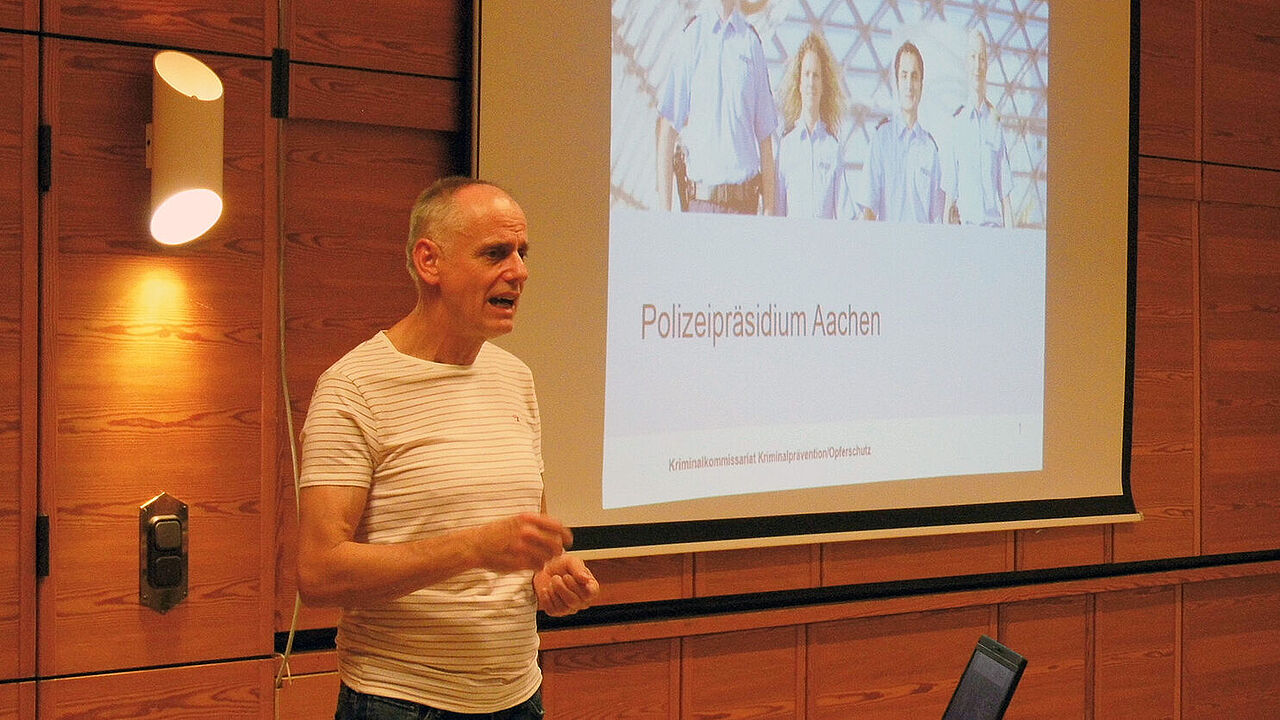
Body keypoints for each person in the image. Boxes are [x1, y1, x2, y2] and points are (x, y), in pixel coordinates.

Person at [296, 176, 601, 719]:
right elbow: (319, 572)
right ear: (429, 261)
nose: (520, 271)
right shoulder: (353, 387)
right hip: (401, 702)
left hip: (517, 696)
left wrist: (548, 574)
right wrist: (473, 549)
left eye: (522, 253)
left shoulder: (515, 378)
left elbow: (527, 538)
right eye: (495, 253)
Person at [656, 0, 779, 214]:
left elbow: (766, 139)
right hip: (700, 206)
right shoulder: (693, 37)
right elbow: (667, 130)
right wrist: (665, 214)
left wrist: (768, 212)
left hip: (744, 208)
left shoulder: (751, 42)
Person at [860, 40, 944, 224]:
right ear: (896, 82)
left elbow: (937, 220)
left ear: (921, 84)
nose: (909, 84)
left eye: (914, 77)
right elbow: (868, 210)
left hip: (922, 249)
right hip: (888, 250)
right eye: (904, 76)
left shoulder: (930, 149)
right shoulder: (881, 140)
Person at [942, 28, 1014, 227]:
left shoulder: (995, 126)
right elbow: (949, 199)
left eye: (982, 58)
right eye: (973, 57)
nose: (977, 65)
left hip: (995, 234)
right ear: (966, 62)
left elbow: (1006, 199)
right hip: (967, 235)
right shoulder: (956, 127)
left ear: (987, 64)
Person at [775, 31, 849, 219]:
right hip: (792, 246)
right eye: (806, 74)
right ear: (798, 82)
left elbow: (844, 212)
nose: (811, 82)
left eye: (816, 75)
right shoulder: (786, 147)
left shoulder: (832, 147)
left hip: (825, 246)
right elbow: (778, 212)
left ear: (824, 84)